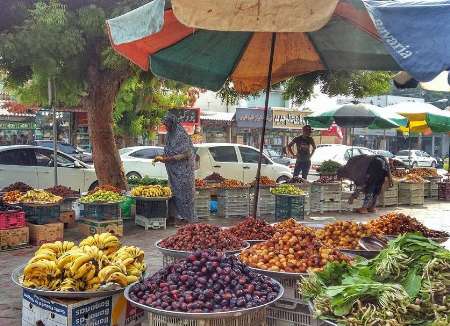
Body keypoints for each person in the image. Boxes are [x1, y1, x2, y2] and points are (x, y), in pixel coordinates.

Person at [154, 114, 197, 224]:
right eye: (164, 125)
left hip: (184, 171)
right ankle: (173, 217)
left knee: (184, 194)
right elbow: (169, 149)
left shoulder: (180, 134)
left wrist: (168, 159)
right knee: (173, 193)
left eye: (167, 124)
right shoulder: (169, 135)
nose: (166, 127)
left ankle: (186, 218)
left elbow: (186, 154)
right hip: (173, 170)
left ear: (172, 123)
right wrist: (163, 157)